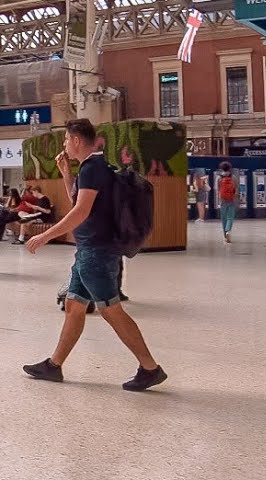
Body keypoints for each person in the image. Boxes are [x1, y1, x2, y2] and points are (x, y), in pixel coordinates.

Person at [22, 119, 166, 391]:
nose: (65, 145)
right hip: (90, 250)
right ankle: (54, 365)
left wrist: (44, 235)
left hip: (96, 253)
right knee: (74, 307)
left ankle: (150, 367)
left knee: (111, 311)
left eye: (66, 139)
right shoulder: (96, 167)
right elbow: (81, 203)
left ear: (76, 140)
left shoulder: (92, 169)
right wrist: (66, 175)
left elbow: (80, 212)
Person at [217, 161, 237, 244]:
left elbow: (217, 189)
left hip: (222, 199)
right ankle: (228, 231)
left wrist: (219, 199)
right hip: (231, 199)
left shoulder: (219, 178)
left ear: (221, 168)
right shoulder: (233, 177)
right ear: (230, 168)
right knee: (230, 217)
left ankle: (225, 235)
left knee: (224, 218)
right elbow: (235, 188)